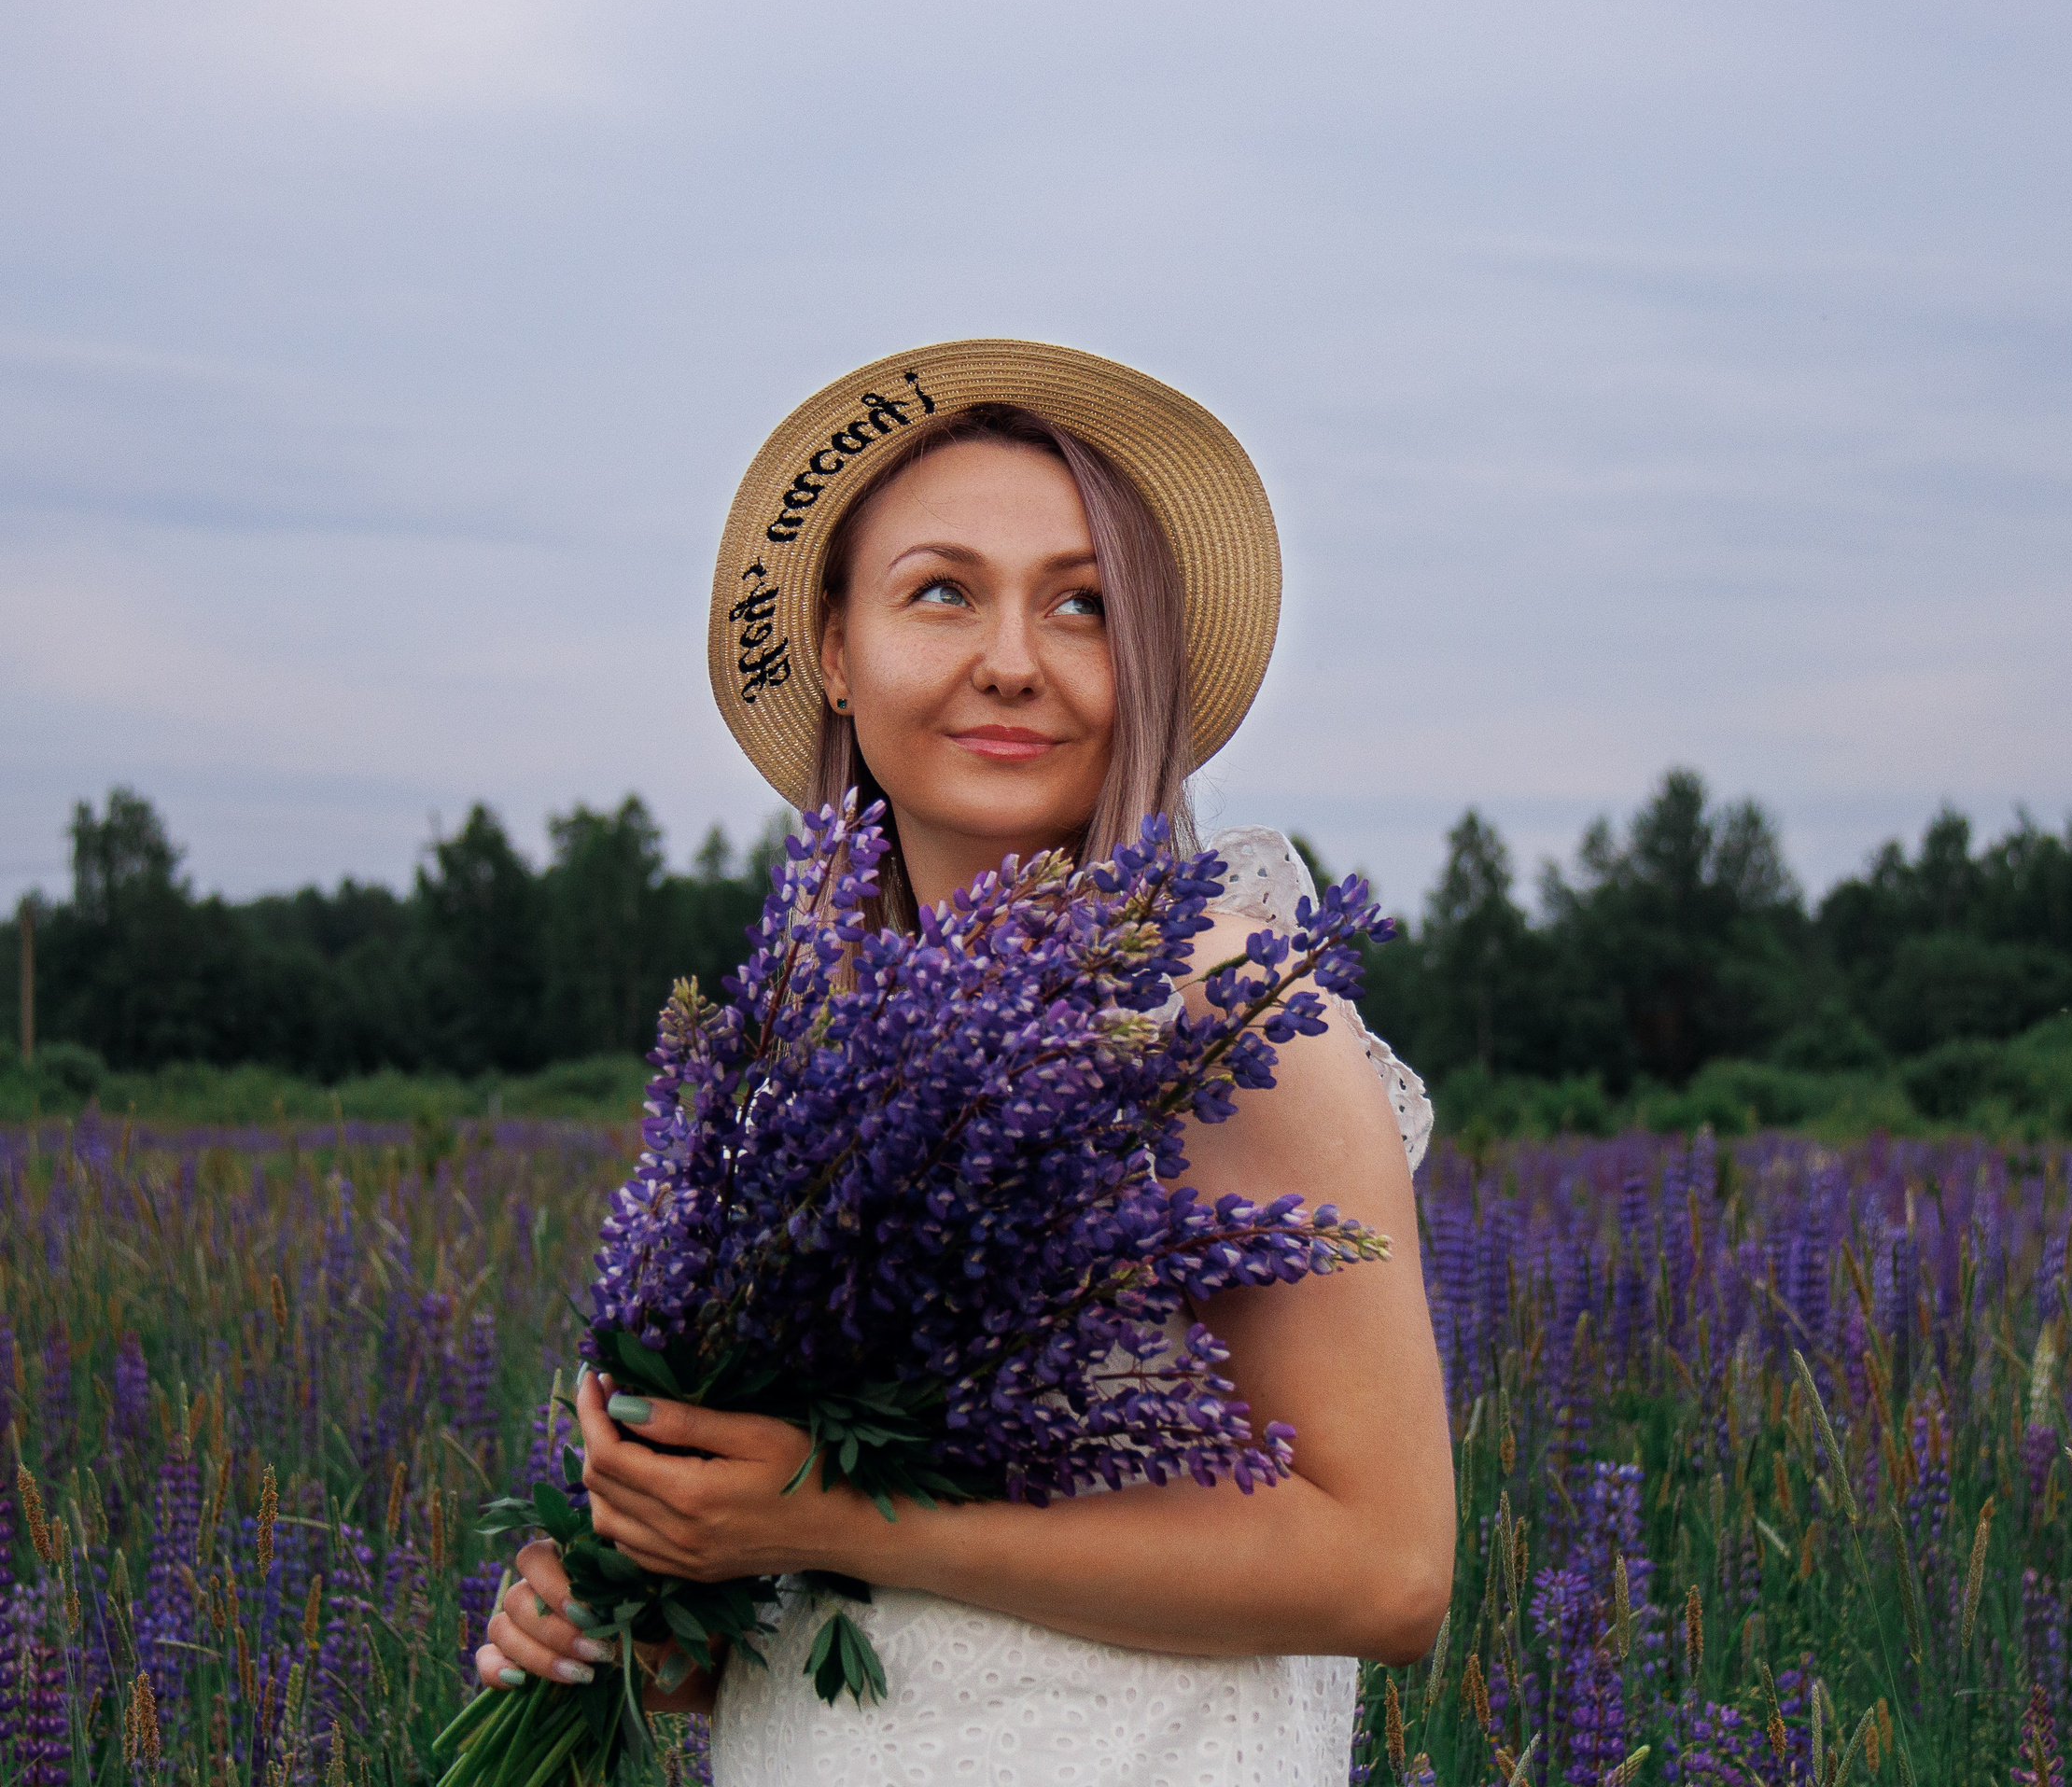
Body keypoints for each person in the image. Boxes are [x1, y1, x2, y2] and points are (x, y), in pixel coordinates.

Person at [475, 341, 1454, 1785]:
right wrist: (637, 1593)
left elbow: (1385, 1572)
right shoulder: (806, 1063)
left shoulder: (1220, 1016)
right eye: (942, 590)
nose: (1014, 657)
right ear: (833, 647)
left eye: (1084, 605)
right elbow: (794, 1613)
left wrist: (818, 1518)